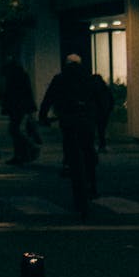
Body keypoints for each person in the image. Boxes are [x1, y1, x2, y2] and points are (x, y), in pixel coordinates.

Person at [38, 53, 99, 203]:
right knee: (88, 150)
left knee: (71, 146)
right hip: (86, 119)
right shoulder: (89, 77)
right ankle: (92, 183)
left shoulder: (60, 78)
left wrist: (43, 116)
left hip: (68, 119)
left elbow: (49, 97)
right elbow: (99, 99)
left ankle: (69, 166)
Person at [1, 56, 40, 165]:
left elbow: (12, 94)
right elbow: (27, 92)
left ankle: (28, 149)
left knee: (14, 130)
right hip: (21, 107)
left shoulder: (13, 77)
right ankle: (21, 154)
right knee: (15, 130)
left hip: (17, 107)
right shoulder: (22, 75)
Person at [90, 72, 115, 152]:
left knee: (92, 130)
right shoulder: (105, 89)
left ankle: (93, 146)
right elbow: (111, 100)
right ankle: (102, 145)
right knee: (102, 130)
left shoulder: (91, 90)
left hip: (94, 112)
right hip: (104, 112)